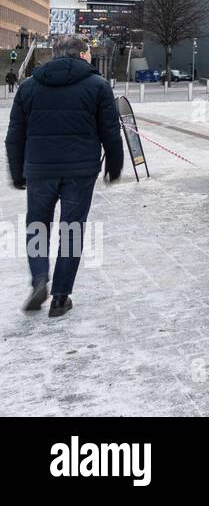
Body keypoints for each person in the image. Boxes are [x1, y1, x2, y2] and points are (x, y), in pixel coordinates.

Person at [5, 34, 123, 317]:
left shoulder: (29, 86)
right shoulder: (98, 86)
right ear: (82, 54)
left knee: (37, 227)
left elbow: (14, 136)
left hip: (40, 170)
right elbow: (111, 131)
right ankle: (60, 297)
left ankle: (39, 278)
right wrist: (114, 166)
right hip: (80, 172)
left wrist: (17, 171)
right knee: (71, 230)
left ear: (56, 55)